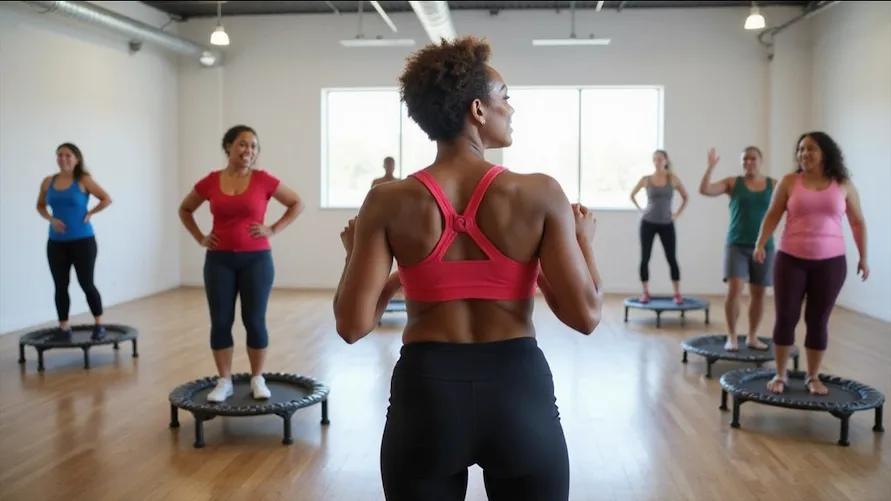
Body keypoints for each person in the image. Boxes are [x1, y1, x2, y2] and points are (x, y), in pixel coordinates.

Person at [332, 36, 604, 501]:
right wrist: (583, 243)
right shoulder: (541, 193)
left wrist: (362, 259)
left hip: (427, 398)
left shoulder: (387, 200)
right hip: (518, 394)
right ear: (478, 109)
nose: (512, 109)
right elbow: (586, 316)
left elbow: (353, 326)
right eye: (505, 98)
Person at [178, 125, 304, 403]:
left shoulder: (263, 180)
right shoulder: (210, 182)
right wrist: (200, 237)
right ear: (229, 147)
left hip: (256, 260)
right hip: (218, 260)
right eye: (243, 144)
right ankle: (224, 380)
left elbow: (296, 203)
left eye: (254, 146)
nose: (249, 151)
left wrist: (272, 229)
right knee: (221, 321)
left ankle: (257, 378)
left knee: (254, 320)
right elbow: (185, 209)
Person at [754, 131, 869, 396]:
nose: (804, 154)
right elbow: (772, 215)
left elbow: (857, 222)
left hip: (830, 263)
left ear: (825, 153)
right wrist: (760, 244)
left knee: (818, 320)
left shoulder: (843, 184)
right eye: (801, 149)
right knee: (786, 317)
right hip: (790, 260)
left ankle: (813, 375)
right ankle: (781, 373)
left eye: (811, 149)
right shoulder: (789, 181)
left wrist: (863, 256)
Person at [698, 146, 774, 351]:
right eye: (745, 159)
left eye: (753, 159)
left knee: (758, 293)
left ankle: (751, 336)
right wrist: (710, 167)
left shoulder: (773, 185)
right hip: (737, 244)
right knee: (734, 289)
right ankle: (731, 336)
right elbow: (705, 190)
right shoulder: (733, 183)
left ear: (761, 161)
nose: (749, 162)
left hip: (765, 246)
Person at [35, 143, 112, 342]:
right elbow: (40, 206)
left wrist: (90, 213)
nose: (63, 158)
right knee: (60, 285)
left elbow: (106, 198)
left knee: (86, 283)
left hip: (83, 242)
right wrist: (51, 219)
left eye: (68, 155)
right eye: (60, 155)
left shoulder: (83, 180)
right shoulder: (48, 182)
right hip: (56, 243)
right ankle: (63, 328)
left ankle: (99, 324)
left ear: (76, 158)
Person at [630, 149, 689, 304]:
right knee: (645, 258)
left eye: (660, 159)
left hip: (666, 224)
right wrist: (641, 210)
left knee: (671, 259)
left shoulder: (673, 179)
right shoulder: (646, 179)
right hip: (648, 223)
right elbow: (632, 195)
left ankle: (677, 293)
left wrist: (676, 214)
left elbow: (685, 197)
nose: (658, 162)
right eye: (655, 159)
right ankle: (645, 292)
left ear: (666, 161)